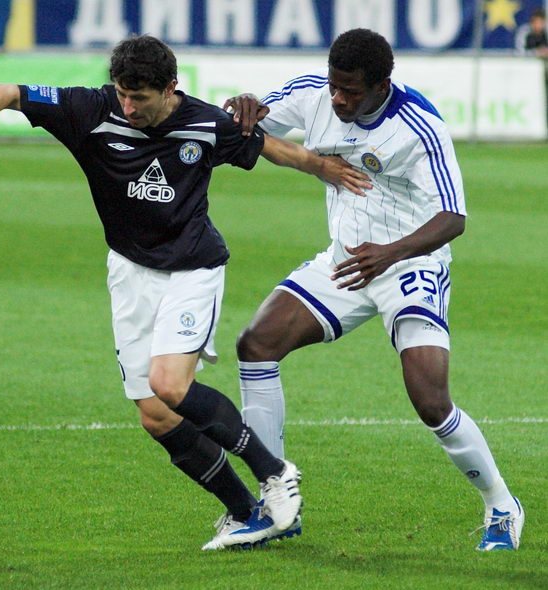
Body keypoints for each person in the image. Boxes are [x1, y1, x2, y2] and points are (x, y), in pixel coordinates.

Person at [0, 35, 370, 551]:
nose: (128, 107)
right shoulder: (90, 110)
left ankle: (274, 471)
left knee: (170, 384)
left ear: (170, 88)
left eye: (140, 98)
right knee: (155, 413)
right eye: (123, 95)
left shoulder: (205, 123)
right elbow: (11, 91)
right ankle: (245, 514)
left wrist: (324, 167)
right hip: (130, 272)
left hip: (192, 270)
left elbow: (273, 149)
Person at [224, 28, 524, 551]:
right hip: (344, 261)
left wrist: (390, 253)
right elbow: (251, 127)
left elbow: (452, 218)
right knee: (256, 345)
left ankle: (501, 504)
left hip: (410, 262)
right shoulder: (314, 93)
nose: (338, 99)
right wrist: (244, 107)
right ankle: (274, 502)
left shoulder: (418, 126)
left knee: (430, 399)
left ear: (382, 85)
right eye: (334, 86)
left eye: (351, 91)